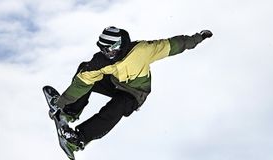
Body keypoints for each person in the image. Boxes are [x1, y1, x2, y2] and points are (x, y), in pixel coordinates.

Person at [55, 26, 213, 152]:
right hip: (115, 84)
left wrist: (198, 37)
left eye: (111, 49)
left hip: (135, 93)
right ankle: (70, 111)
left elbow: (174, 44)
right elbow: (82, 83)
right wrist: (61, 103)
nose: (108, 53)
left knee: (116, 108)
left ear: (119, 44)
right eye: (104, 50)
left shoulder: (142, 50)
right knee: (85, 69)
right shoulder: (101, 61)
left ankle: (80, 138)